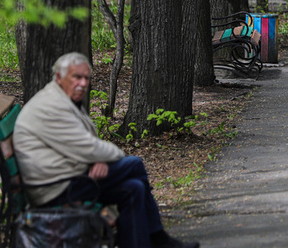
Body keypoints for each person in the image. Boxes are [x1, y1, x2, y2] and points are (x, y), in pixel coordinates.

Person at [13, 53, 199, 248]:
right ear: (59, 77)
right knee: (134, 164)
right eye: (77, 77)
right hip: (55, 188)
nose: (83, 83)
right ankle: (159, 239)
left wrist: (98, 159)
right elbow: (89, 147)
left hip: (67, 177)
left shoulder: (61, 98)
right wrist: (102, 156)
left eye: (86, 78)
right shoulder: (51, 107)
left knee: (134, 188)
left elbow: (86, 146)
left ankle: (150, 241)